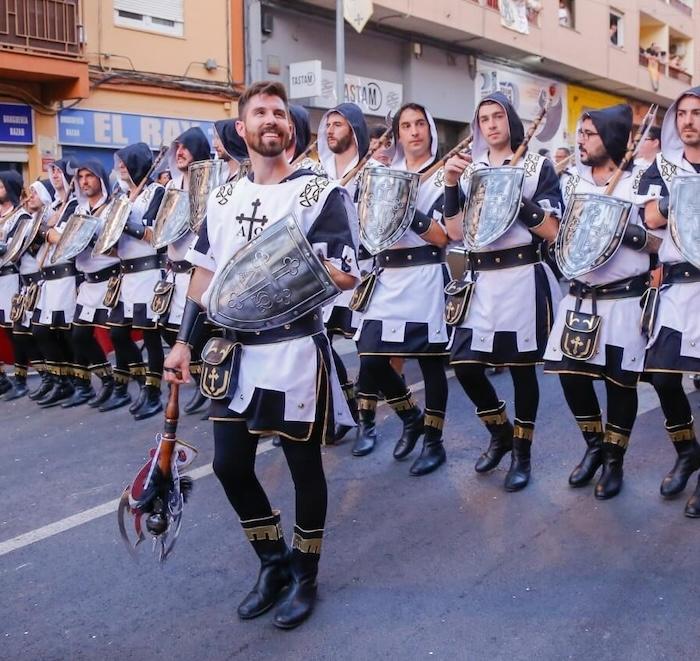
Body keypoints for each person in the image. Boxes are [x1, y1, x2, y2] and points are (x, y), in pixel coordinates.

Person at [164, 80, 359, 629]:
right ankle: (272, 562)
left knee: (303, 468)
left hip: (293, 349)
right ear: (242, 128)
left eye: (278, 112)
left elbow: (346, 268)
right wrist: (184, 342)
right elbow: (204, 274)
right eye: (259, 113)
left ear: (289, 128)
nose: (270, 119)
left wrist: (277, 279)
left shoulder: (320, 192)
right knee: (228, 465)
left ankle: (306, 575)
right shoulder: (224, 196)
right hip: (233, 354)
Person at [443, 92, 563, 492]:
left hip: (521, 276)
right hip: (480, 281)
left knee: (521, 370)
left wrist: (519, 200)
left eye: (497, 116)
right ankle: (500, 431)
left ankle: (523, 454)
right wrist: (449, 184)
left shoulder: (536, 166)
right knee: (464, 364)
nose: (491, 124)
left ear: (510, 120)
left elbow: (552, 230)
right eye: (483, 119)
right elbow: (456, 233)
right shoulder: (472, 170)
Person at [544, 104, 657, 499]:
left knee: (619, 385)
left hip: (623, 298)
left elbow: (662, 241)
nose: (581, 140)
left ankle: (614, 461)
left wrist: (622, 228)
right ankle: (593, 446)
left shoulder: (640, 181)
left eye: (589, 133)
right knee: (572, 378)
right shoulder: (571, 179)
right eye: (580, 133)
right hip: (578, 296)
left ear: (610, 138)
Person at [352, 102, 450, 476]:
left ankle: (434, 442)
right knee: (370, 356)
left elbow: (444, 237)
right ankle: (410, 416)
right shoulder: (384, 174)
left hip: (425, 274)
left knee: (429, 363)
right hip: (387, 277)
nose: (413, 131)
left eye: (420, 124)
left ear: (430, 129)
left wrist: (408, 208)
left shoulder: (444, 177)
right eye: (406, 125)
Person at [637, 87, 700, 517]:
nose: (689, 121)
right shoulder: (663, 166)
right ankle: (688, 451)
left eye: (697, 113)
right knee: (662, 377)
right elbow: (650, 218)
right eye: (683, 114)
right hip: (677, 286)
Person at [102, 143, 167, 419]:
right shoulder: (122, 195)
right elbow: (113, 244)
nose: (120, 168)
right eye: (118, 163)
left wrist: (125, 222)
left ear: (138, 163)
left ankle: (153, 393)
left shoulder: (156, 192)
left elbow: (156, 234)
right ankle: (142, 383)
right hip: (124, 274)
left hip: (147, 273)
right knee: (117, 332)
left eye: (125, 163)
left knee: (151, 337)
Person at [317, 102, 369, 439]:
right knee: (321, 342)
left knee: (369, 349)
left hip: (361, 267)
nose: (331, 130)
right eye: (328, 125)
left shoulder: (368, 170)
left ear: (353, 128)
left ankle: (370, 417)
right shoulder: (316, 172)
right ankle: (342, 407)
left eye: (338, 124)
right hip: (324, 269)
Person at [64, 160, 120, 409]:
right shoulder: (78, 211)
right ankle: (107, 379)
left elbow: (116, 245)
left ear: (100, 179)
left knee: (120, 337)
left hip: (111, 279)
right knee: (79, 336)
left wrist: (90, 239)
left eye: (89, 176)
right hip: (88, 283)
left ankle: (126, 386)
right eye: (81, 177)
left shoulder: (112, 208)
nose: (84, 181)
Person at [31, 160, 87, 406]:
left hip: (66, 277)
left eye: (57, 170)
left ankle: (81, 383)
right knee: (41, 331)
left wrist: (43, 230)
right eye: (50, 171)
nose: (53, 175)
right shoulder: (53, 206)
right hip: (49, 278)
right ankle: (60, 380)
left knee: (67, 334)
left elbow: (63, 238)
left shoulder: (75, 205)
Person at [2, 180, 52, 400]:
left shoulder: (22, 218)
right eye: (28, 192)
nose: (30, 196)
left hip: (20, 279)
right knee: (16, 331)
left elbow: (15, 248)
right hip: (15, 279)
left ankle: (40, 377)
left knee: (22, 331)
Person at [0, 170, 34, 398]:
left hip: (11, 277)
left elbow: (15, 249)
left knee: (15, 330)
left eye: (1, 186)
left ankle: (21, 380)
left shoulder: (21, 217)